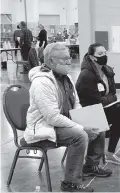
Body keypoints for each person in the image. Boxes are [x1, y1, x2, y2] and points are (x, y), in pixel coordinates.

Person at [24, 43, 112, 192]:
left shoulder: (66, 78)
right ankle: (70, 183)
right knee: (80, 135)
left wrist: (85, 119)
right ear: (51, 61)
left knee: (98, 123)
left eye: (69, 58)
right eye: (64, 59)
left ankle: (90, 165)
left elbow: (76, 103)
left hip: (63, 121)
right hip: (45, 126)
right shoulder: (41, 83)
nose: (69, 62)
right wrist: (82, 127)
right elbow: (52, 118)